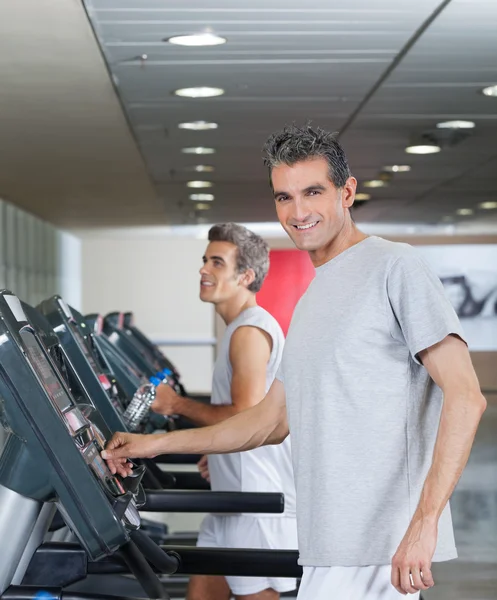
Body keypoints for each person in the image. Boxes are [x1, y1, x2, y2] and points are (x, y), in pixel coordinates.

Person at [103, 125, 486, 599]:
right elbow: (266, 421)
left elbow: (466, 398)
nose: (298, 211)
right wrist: (150, 446)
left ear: (347, 192)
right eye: (284, 197)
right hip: (328, 543)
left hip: (377, 550)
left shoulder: (395, 267)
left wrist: (425, 524)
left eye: (312, 192)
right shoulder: (313, 297)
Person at [150, 223, 297, 600]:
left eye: (217, 263)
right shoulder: (240, 329)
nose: (204, 270)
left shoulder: (249, 333)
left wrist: (176, 404)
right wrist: (218, 453)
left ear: (245, 276)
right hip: (230, 496)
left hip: (255, 499)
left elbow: (244, 417)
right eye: (205, 261)